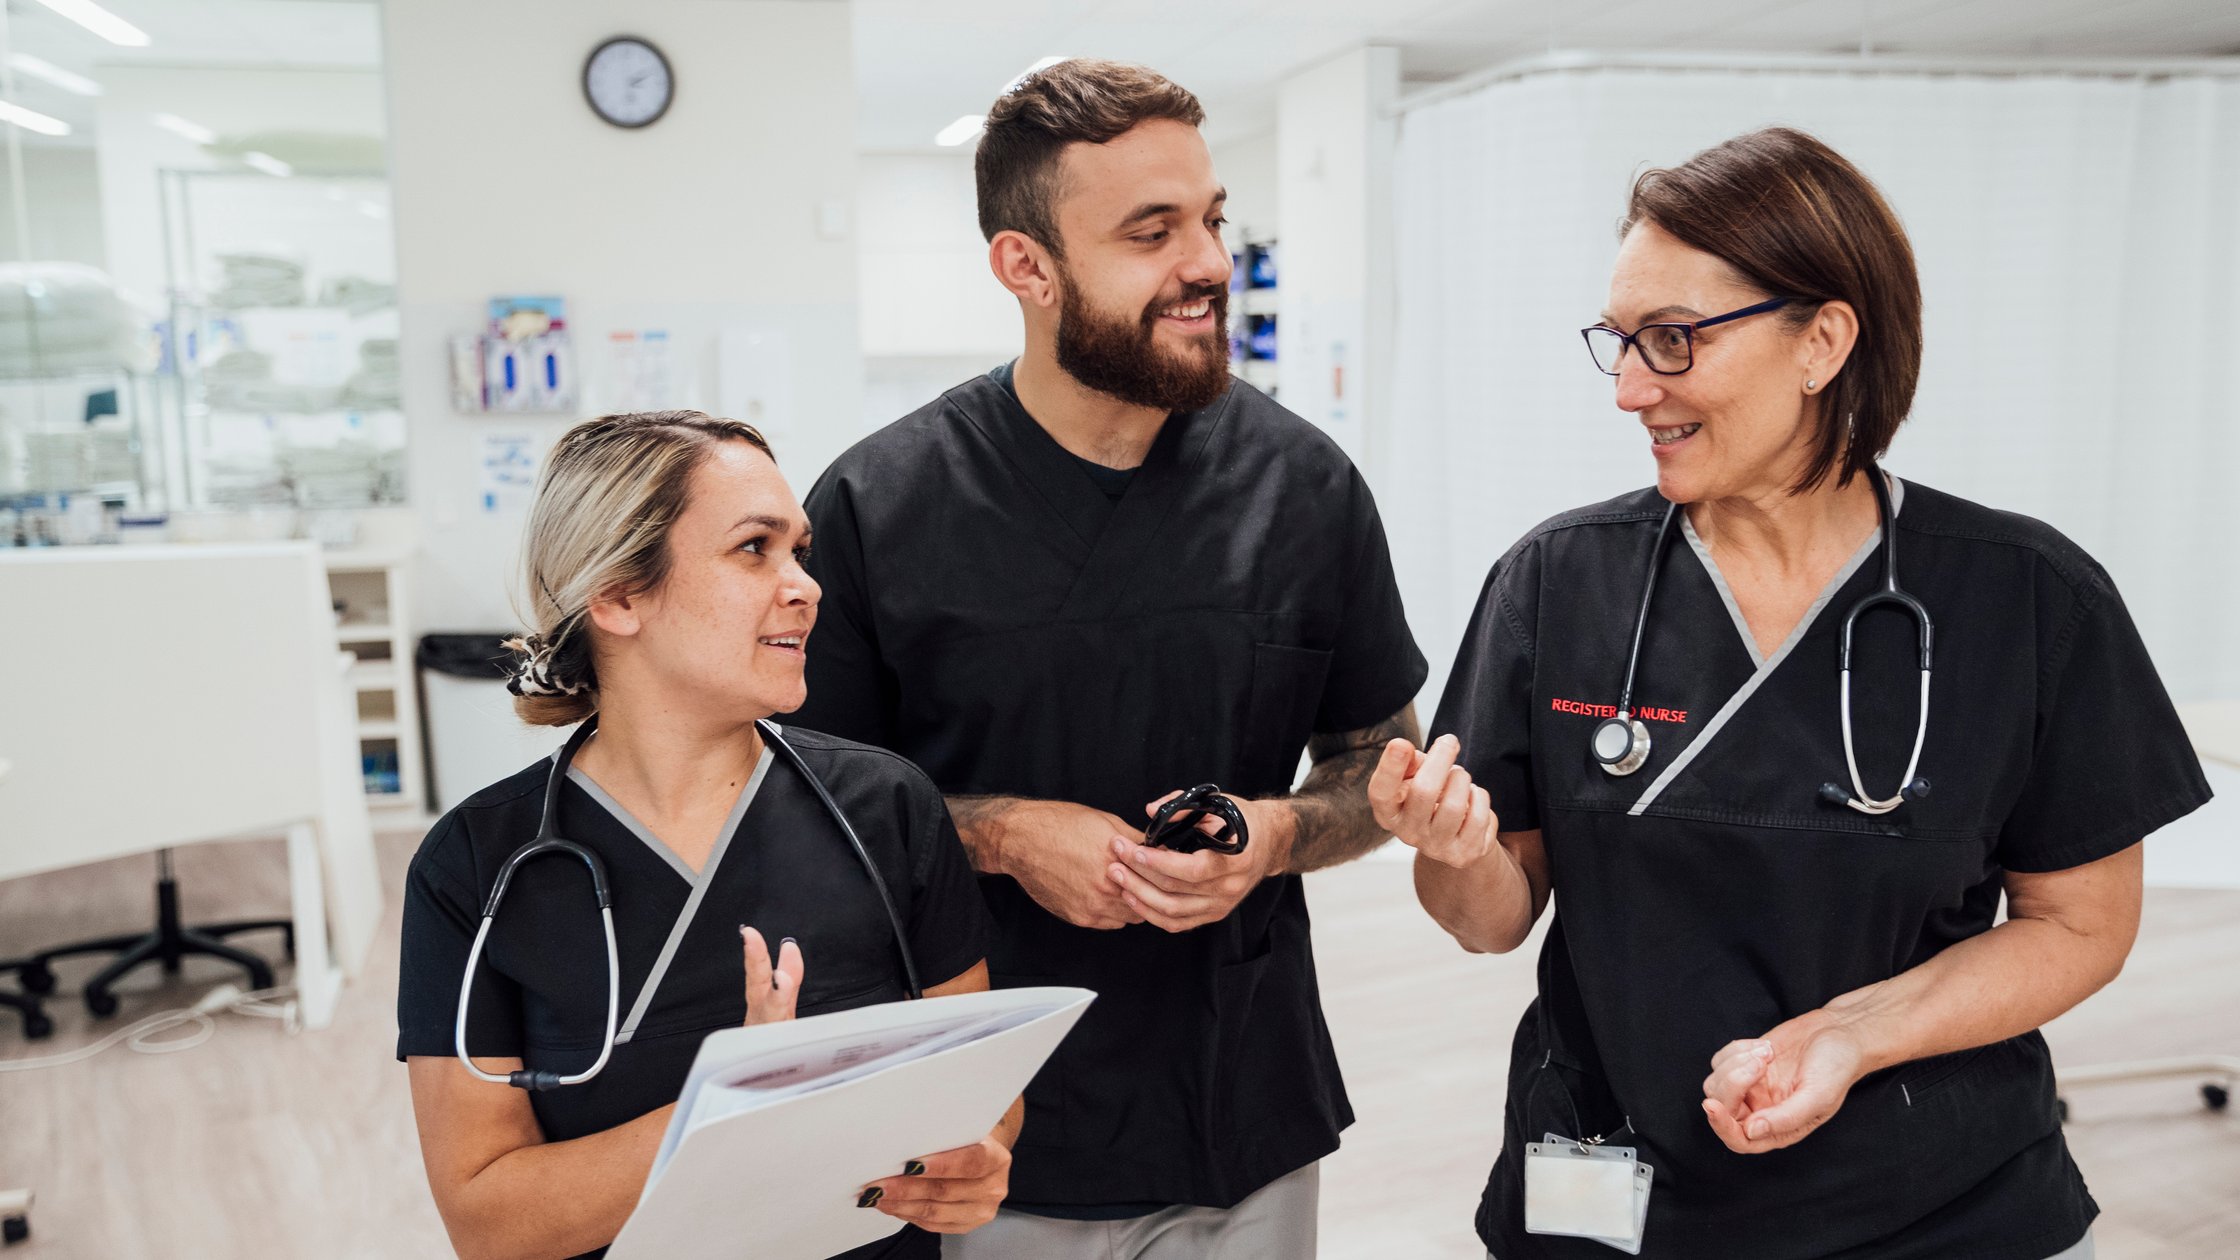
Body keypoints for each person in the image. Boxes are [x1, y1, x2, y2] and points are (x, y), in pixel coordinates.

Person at [1373, 127, 2214, 1260]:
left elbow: (2078, 925)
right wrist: (1453, 849)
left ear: (1821, 339)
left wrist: (1852, 1035)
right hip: (1613, 1189)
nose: (1628, 389)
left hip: (1938, 1205)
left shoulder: (2024, 598)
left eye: (1670, 341)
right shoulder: (1559, 581)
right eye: (1618, 343)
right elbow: (1492, 918)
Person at [792, 59, 1426, 1259]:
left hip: (1239, 1105)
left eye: (1209, 219)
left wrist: (1272, 836)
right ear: (1025, 269)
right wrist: (998, 833)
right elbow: (806, 804)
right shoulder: (883, 503)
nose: (1206, 263)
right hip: (984, 1134)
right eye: (1152, 232)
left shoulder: (1304, 488)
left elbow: (1374, 767)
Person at [395, 411, 1017, 1260]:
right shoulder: (477, 866)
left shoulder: (886, 806)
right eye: (755, 548)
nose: (806, 584)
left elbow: (981, 1098)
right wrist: (728, 1107)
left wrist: (975, 1164)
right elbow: (489, 1221)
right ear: (617, 594)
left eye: (799, 550)